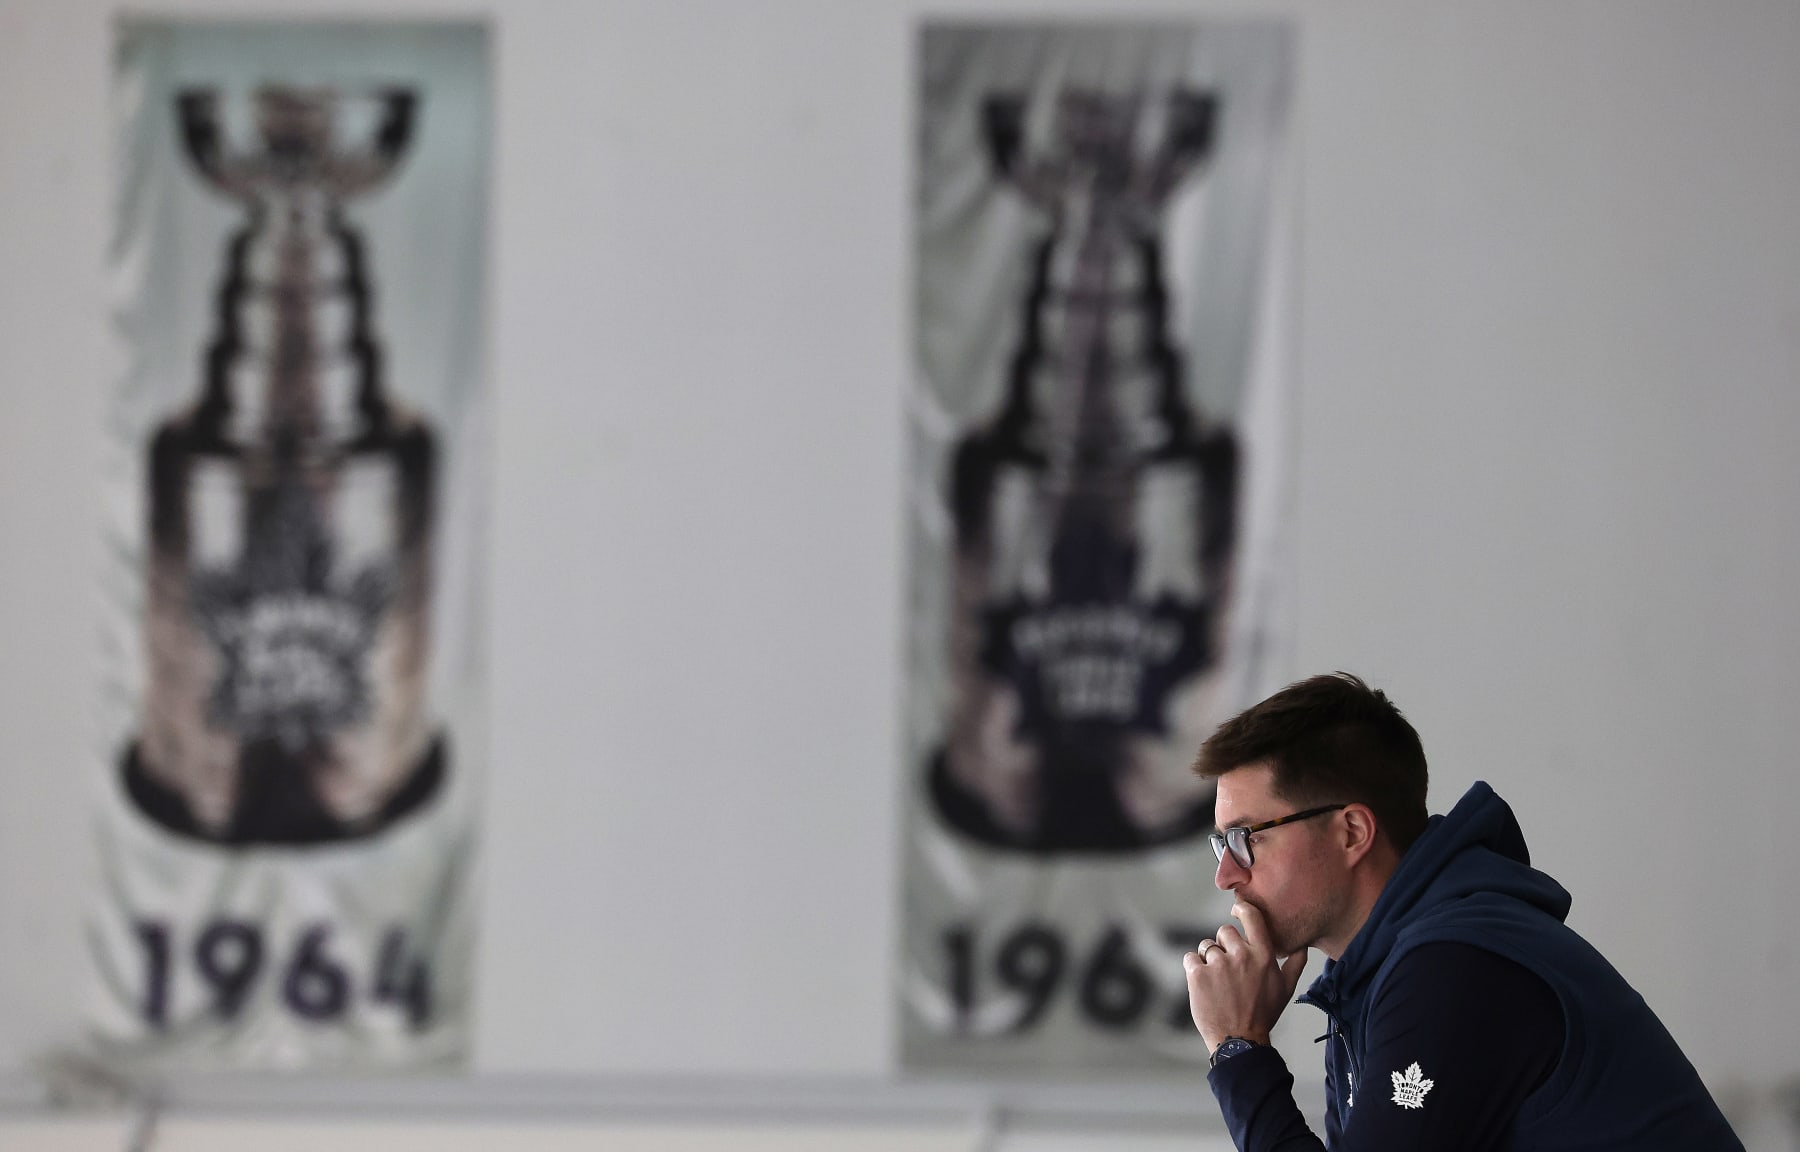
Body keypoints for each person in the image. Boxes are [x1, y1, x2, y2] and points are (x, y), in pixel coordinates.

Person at [1183, 672, 1743, 1151]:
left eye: (1245, 838)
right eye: (1221, 844)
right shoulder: (1367, 976)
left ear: (1352, 831)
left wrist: (1239, 1048)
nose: (1226, 874)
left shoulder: (1454, 966)